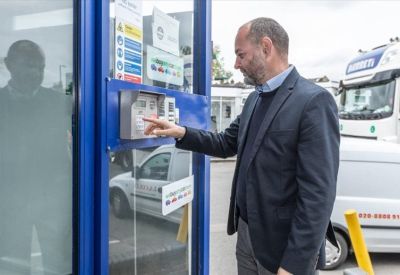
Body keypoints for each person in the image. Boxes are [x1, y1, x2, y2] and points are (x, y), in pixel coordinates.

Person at [144, 17, 339, 275]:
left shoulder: (314, 101)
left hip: (282, 250)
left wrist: (293, 265)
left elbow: (318, 195)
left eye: (241, 55)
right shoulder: (254, 100)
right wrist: (181, 132)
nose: (236, 64)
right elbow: (225, 143)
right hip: (247, 237)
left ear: (266, 48)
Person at [0, 40, 72, 274]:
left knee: (59, 263)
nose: (35, 72)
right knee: (12, 264)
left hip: (53, 202)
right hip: (9, 204)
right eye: (28, 65)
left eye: (40, 67)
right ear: (8, 64)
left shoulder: (60, 103)